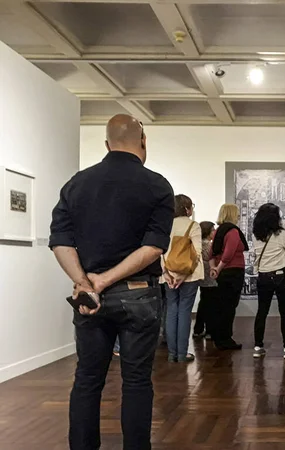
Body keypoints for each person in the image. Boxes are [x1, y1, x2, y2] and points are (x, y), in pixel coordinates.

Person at [49, 114, 174, 450]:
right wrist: (103, 280)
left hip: (89, 299)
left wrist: (85, 282)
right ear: (143, 142)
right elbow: (153, 248)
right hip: (139, 295)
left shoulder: (77, 184)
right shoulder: (157, 185)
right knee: (136, 382)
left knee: (88, 380)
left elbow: (60, 240)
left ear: (106, 145)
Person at [252, 203, 285, 359]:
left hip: (263, 275)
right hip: (281, 274)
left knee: (262, 311)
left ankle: (258, 346)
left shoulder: (255, 235)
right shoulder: (282, 234)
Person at [163, 195, 203, 363]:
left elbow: (158, 251)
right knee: (185, 311)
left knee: (171, 310)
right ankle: (182, 353)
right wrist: (183, 275)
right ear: (187, 209)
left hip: (168, 275)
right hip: (190, 275)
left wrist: (166, 274)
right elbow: (197, 252)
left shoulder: (165, 225)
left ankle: (172, 354)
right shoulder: (193, 225)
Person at [210, 204, 248, 350]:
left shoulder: (219, 230)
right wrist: (218, 269)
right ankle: (225, 338)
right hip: (233, 272)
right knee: (229, 306)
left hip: (223, 273)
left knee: (222, 305)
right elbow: (229, 253)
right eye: (237, 214)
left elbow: (211, 253)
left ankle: (220, 336)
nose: (239, 216)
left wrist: (214, 267)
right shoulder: (232, 231)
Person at [193, 221, 218, 340]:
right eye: (213, 230)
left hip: (201, 278)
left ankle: (198, 329)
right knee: (210, 305)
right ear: (208, 232)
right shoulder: (209, 245)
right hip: (210, 278)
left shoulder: (197, 244)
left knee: (203, 303)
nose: (214, 232)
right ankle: (210, 330)